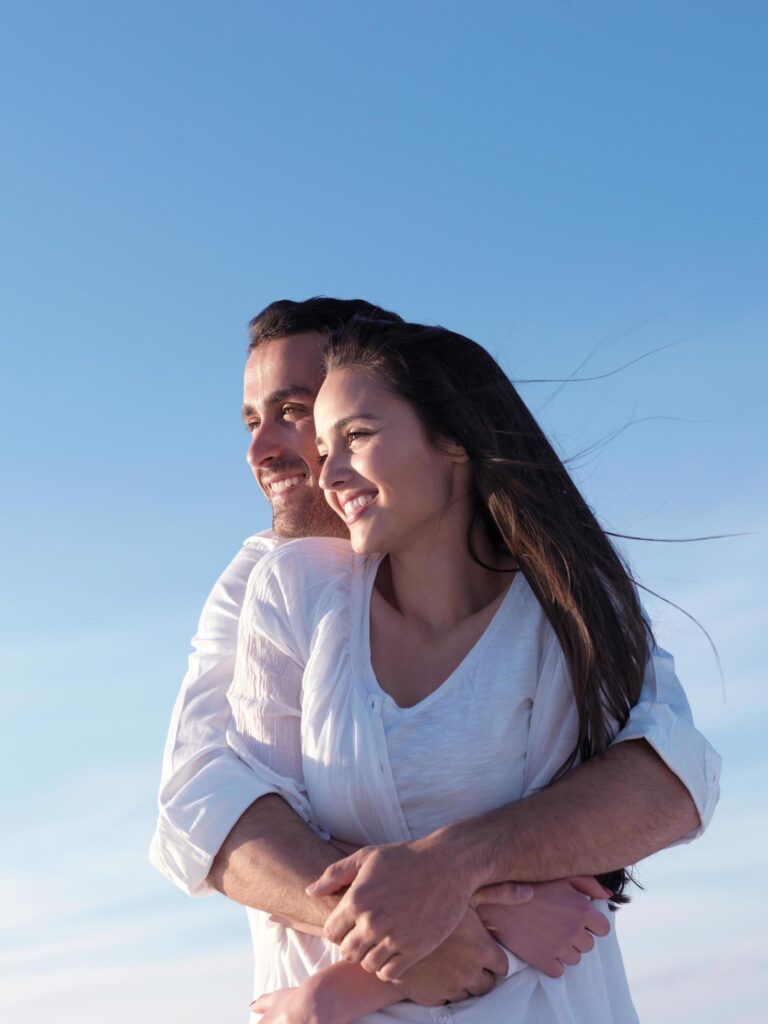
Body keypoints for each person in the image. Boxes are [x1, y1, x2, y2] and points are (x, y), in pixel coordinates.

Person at [149, 298, 719, 1016]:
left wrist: (455, 870)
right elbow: (208, 810)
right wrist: (428, 922)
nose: (266, 451)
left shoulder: (563, 597)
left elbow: (662, 777)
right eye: (252, 421)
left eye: (296, 411)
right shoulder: (271, 586)